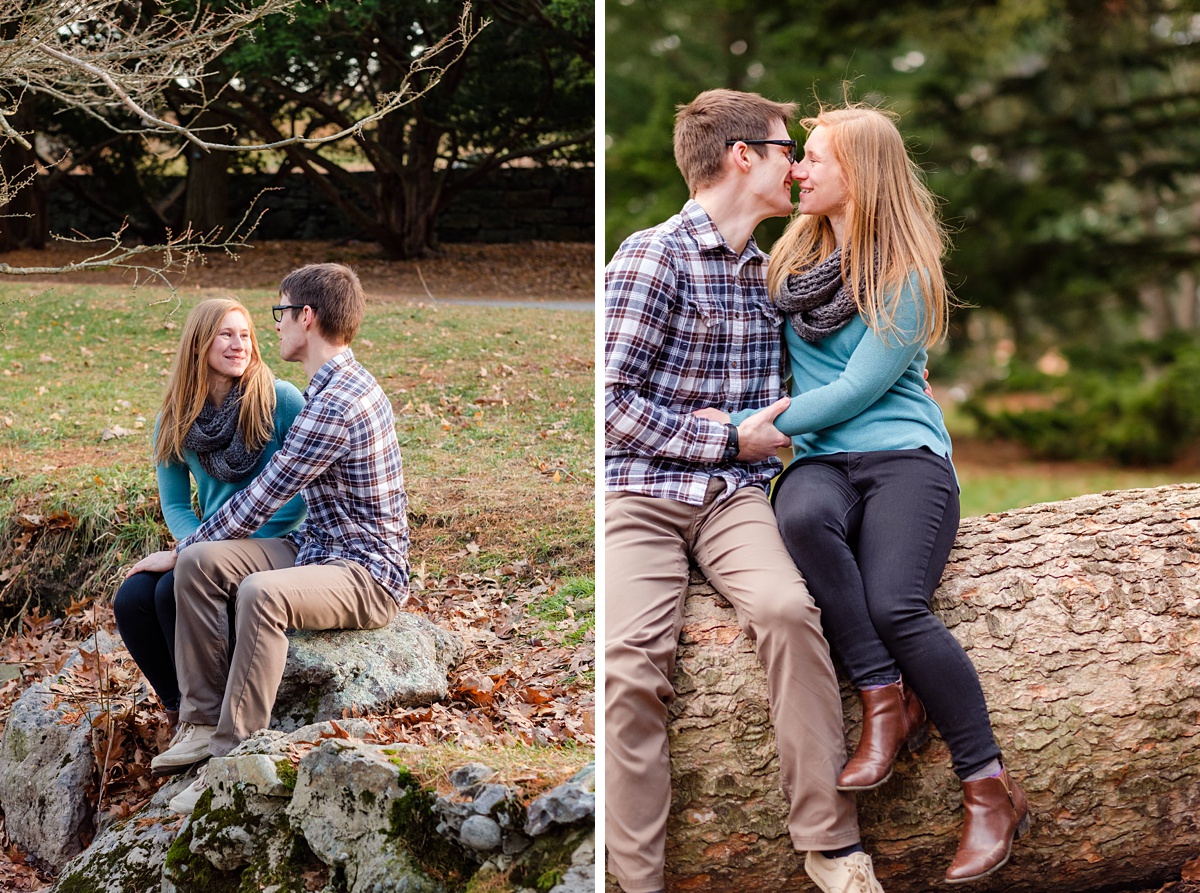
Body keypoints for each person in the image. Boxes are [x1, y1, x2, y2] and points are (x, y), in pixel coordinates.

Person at [723, 105, 1029, 884]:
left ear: (858, 175)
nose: (798, 169)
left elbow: (860, 388)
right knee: (799, 517)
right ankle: (886, 696)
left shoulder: (905, 274)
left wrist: (748, 429)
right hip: (825, 466)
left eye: (815, 158)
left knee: (899, 603)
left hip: (903, 460)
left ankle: (988, 787)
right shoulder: (788, 263)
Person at [605, 89, 884, 893]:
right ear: (742, 156)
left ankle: (829, 844)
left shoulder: (773, 274)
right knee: (630, 666)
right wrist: (725, 434)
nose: (796, 162)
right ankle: (635, 879)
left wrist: (901, 369)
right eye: (785, 146)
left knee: (790, 612)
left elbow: (828, 369)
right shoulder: (650, 256)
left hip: (734, 498)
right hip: (642, 496)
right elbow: (612, 408)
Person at [131, 263, 409, 815]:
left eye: (280, 313)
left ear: (306, 318)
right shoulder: (329, 386)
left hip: (366, 574)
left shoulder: (335, 403)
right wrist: (191, 551)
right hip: (316, 548)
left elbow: (264, 496)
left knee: (261, 591)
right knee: (204, 563)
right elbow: (209, 510)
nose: (274, 326)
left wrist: (181, 547)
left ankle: (228, 763)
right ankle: (201, 721)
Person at [114, 298, 305, 746]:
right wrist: (191, 544)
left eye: (245, 335)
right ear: (199, 344)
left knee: (168, 591)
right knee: (132, 599)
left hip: (277, 542)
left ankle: (211, 718)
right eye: (226, 334)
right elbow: (177, 505)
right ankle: (181, 709)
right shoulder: (175, 419)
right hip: (209, 545)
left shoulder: (280, 399)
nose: (239, 345)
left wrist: (192, 552)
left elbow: (305, 486)